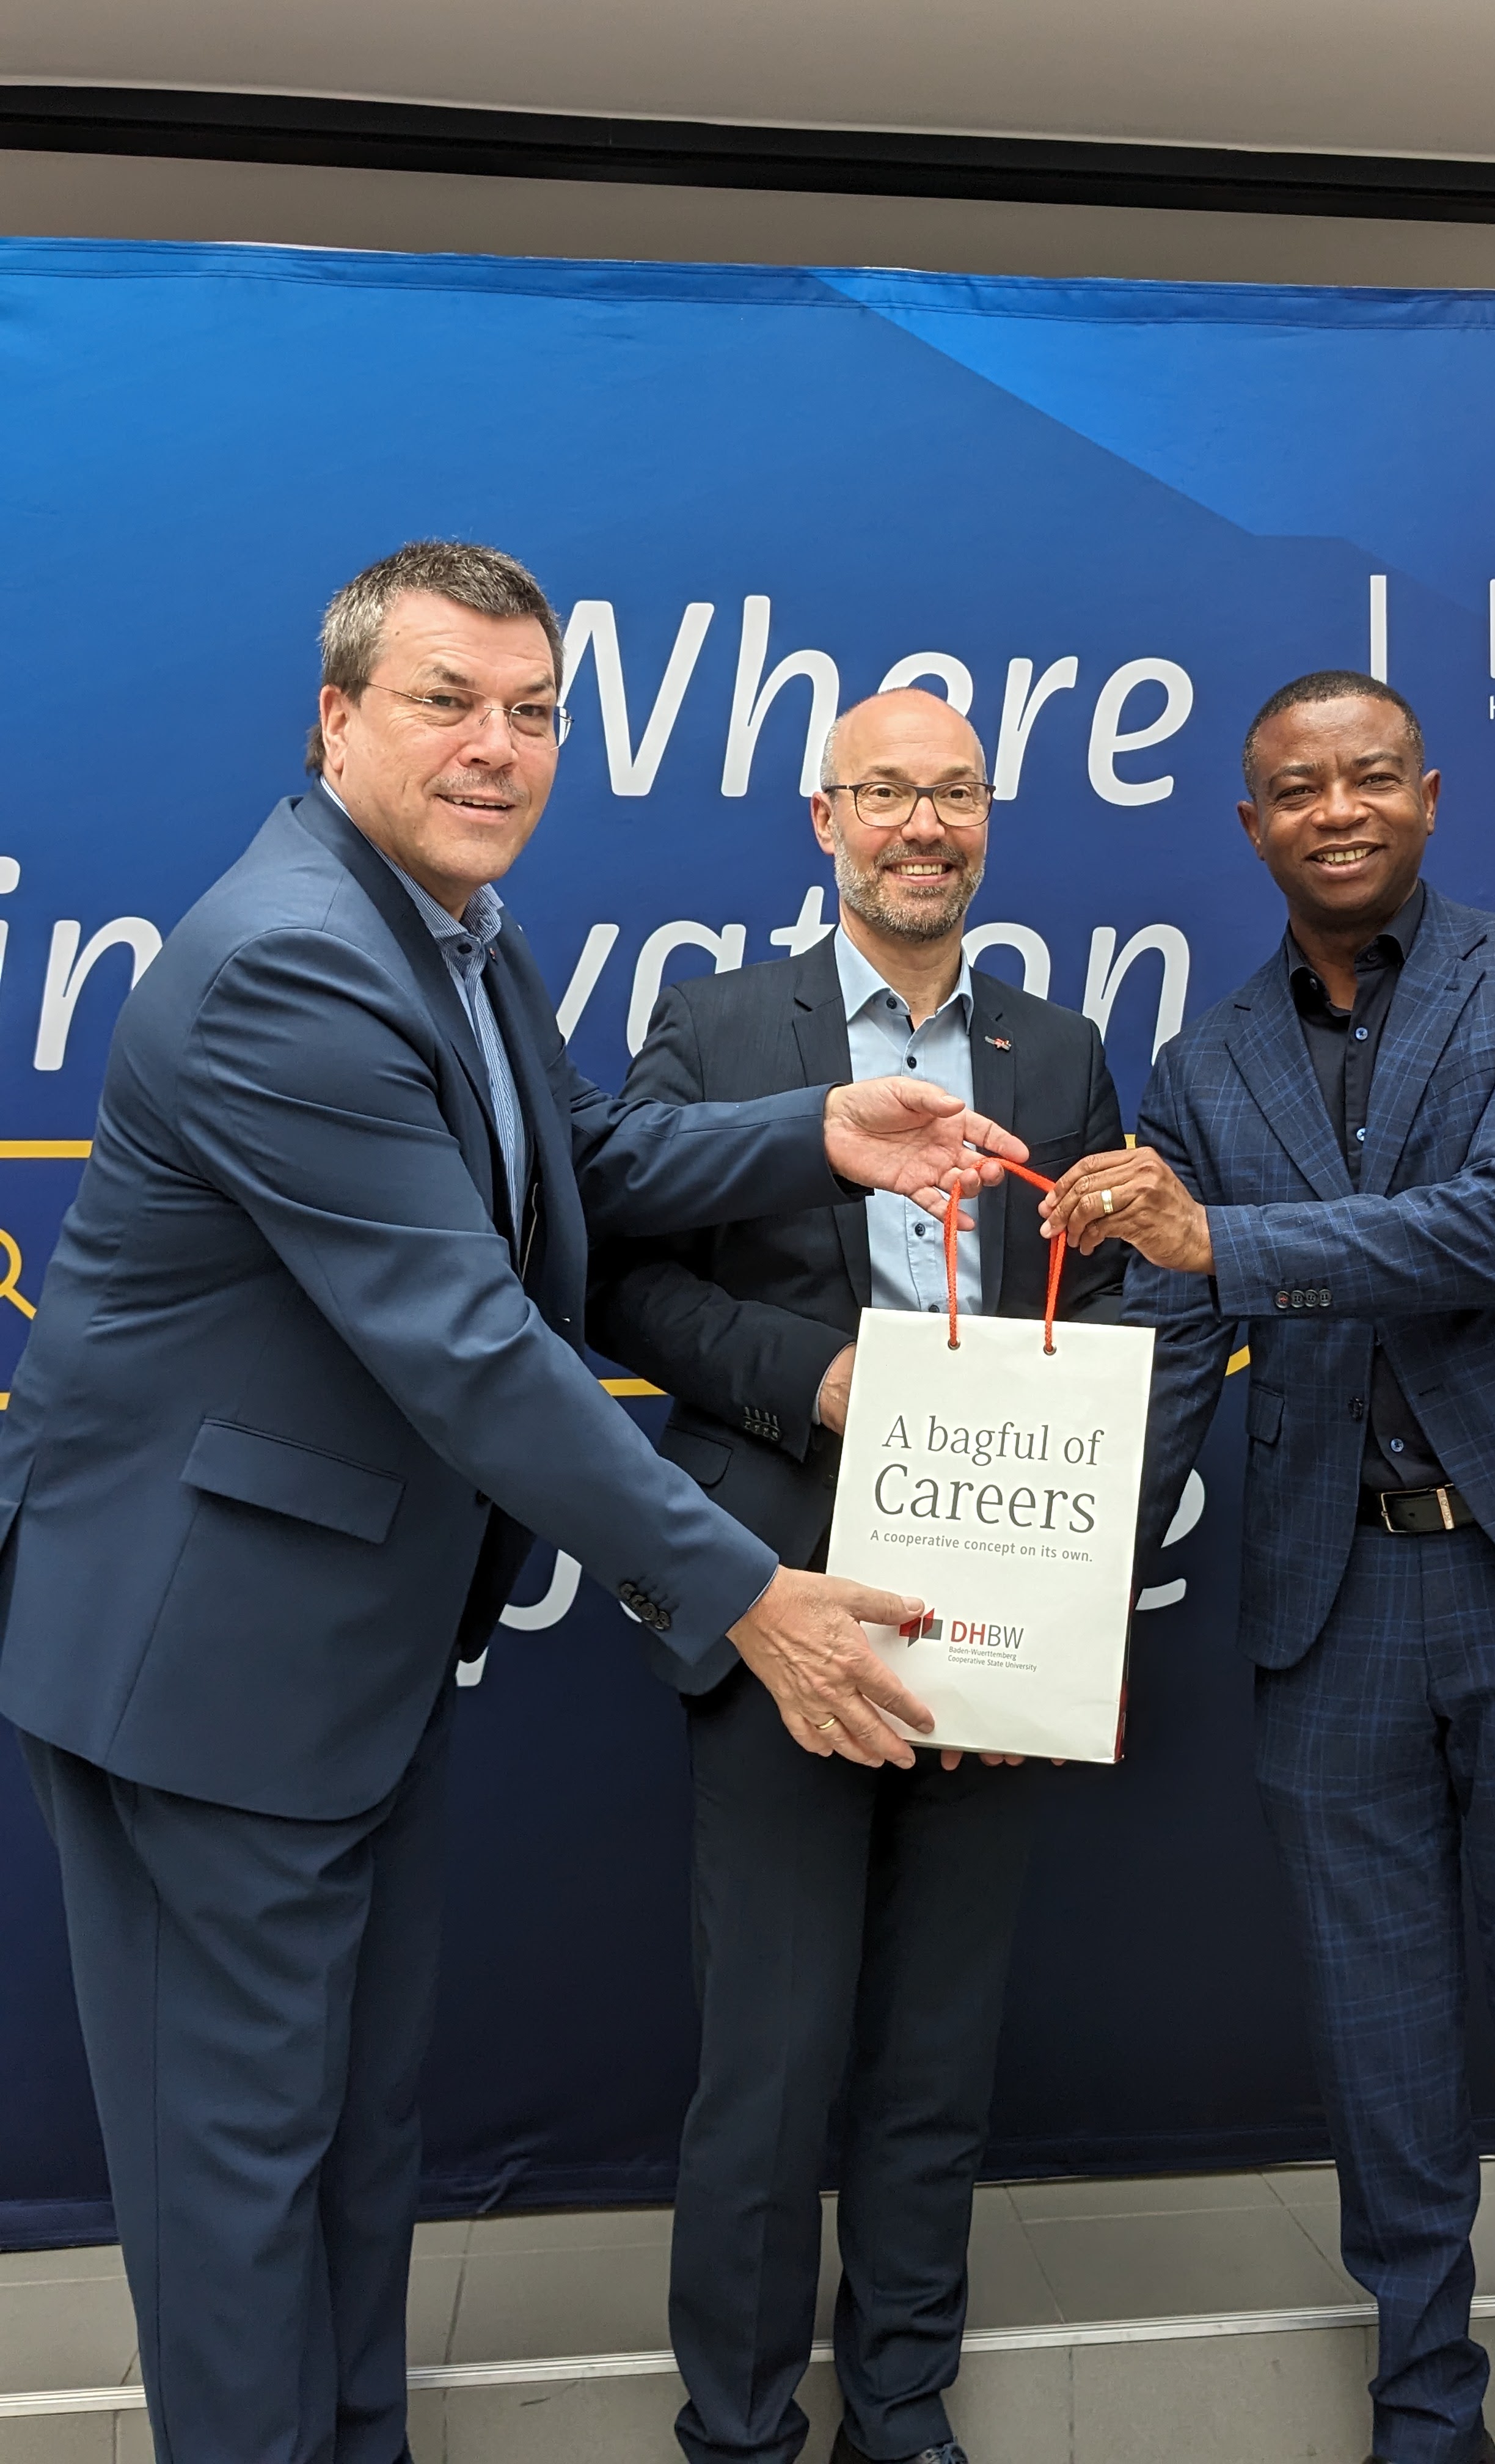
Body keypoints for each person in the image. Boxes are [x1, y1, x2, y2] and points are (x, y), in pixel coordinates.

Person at [0, 544, 1031, 2464]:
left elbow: (580, 1154)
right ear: (335, 721)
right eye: (444, 701)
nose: (498, 748)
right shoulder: (295, 957)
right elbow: (468, 1343)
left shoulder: (449, 926)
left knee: (350, 2143)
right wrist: (752, 1596)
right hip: (198, 1661)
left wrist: (814, 1124)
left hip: (341, 1655)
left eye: (535, 711)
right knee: (239, 2189)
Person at [1039, 671, 1495, 2464]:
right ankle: (1424, 2416)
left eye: (1369, 777)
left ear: (1429, 795)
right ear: (1248, 826)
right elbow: (1176, 1346)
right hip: (1330, 1602)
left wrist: (1223, 1238)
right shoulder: (1201, 1065)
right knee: (1379, 2043)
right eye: (1293, 788)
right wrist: (1053, 1606)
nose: (1336, 808)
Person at [589, 686, 1125, 2464]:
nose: (922, 827)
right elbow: (618, 1282)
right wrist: (809, 1377)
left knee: (936, 2059)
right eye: (884, 794)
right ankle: (740, 2431)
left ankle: (903, 2408)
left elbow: (1103, 1326)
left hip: (1003, 1614)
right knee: (771, 2059)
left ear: (992, 821)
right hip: (778, 1602)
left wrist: (1052, 1610)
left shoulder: (1056, 1052)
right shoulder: (724, 1024)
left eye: (954, 795)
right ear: (822, 819)